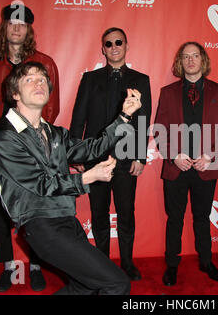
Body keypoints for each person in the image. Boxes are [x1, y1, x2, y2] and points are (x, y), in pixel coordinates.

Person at [0, 61, 141, 295]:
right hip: (41, 225)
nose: (39, 83)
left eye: (42, 79)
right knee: (117, 283)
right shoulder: (3, 138)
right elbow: (41, 184)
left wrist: (124, 117)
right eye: (29, 79)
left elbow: (92, 149)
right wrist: (87, 177)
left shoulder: (54, 132)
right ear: (14, 93)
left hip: (67, 219)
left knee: (85, 287)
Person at [0, 2, 60, 292]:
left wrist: (40, 145)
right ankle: (9, 269)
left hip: (33, 147)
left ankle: (36, 265)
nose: (16, 27)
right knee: (0, 209)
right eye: (12, 22)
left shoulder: (45, 62)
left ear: (29, 30)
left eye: (22, 23)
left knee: (35, 210)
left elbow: (52, 107)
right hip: (2, 148)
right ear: (4, 27)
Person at [69, 27, 151, 281]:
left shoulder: (141, 79)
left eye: (119, 42)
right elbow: (78, 119)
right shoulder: (90, 79)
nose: (114, 46)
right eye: (109, 43)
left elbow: (143, 121)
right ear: (103, 48)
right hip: (95, 159)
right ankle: (102, 262)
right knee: (98, 213)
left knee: (126, 213)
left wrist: (140, 156)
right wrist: (77, 155)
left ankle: (127, 261)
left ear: (127, 46)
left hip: (127, 159)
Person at [154, 41, 218, 286]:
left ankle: (207, 262)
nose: (190, 60)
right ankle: (172, 265)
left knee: (202, 217)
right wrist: (174, 155)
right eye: (185, 56)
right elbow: (159, 130)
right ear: (180, 62)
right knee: (174, 218)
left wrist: (210, 156)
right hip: (176, 167)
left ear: (203, 59)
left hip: (205, 167)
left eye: (195, 55)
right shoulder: (168, 92)